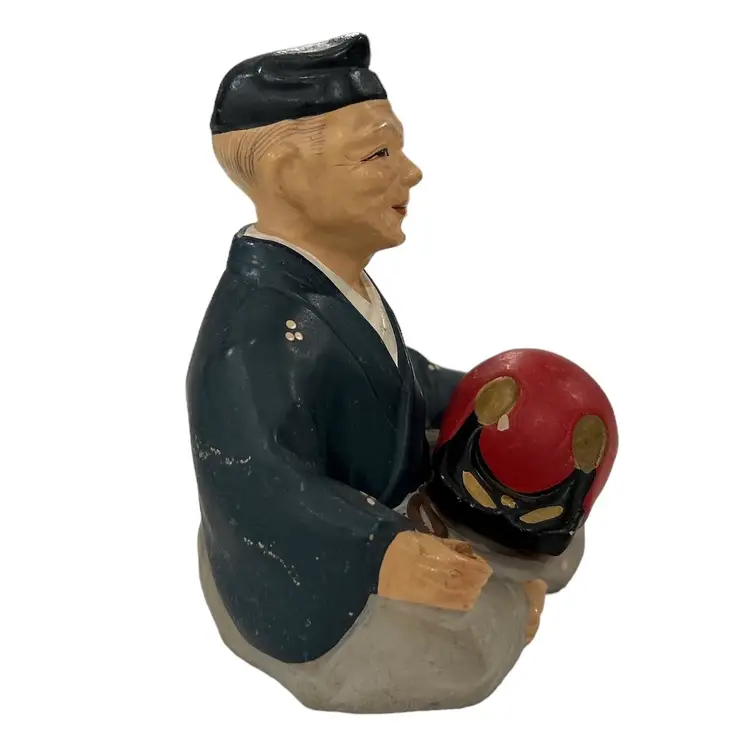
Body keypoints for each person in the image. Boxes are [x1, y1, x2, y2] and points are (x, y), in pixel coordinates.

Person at [187, 33, 545, 713]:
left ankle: (493, 576)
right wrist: (383, 551)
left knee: (531, 493)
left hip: (380, 500)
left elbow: (396, 377)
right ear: (288, 175)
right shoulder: (254, 336)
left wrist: (472, 394)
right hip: (310, 571)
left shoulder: (336, 284)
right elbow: (261, 483)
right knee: (477, 634)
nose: (410, 173)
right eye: (378, 155)